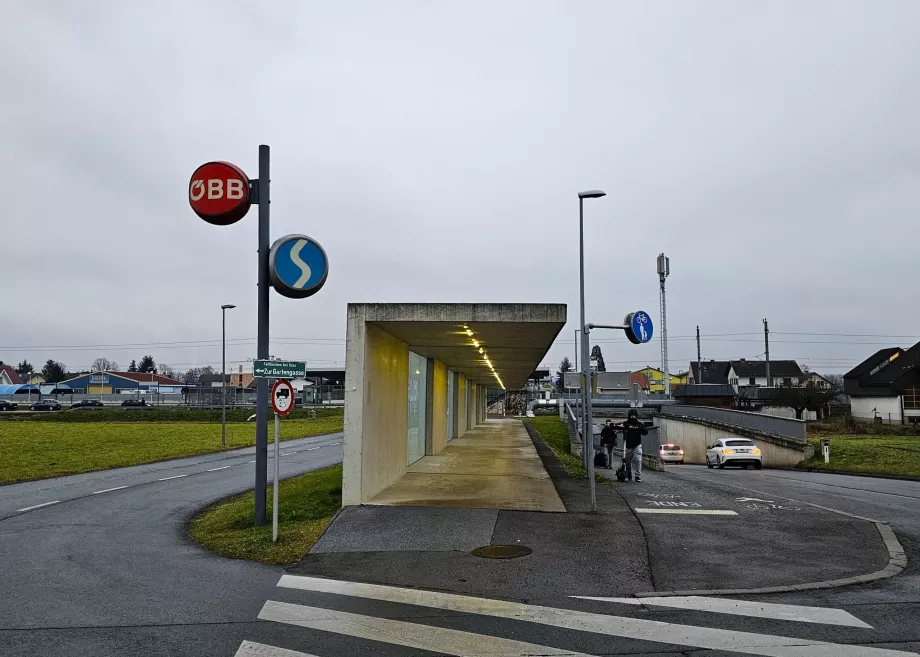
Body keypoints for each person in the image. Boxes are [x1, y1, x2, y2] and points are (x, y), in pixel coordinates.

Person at [618, 409, 648, 482]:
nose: (633, 417)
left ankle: (637, 476)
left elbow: (645, 432)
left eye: (634, 415)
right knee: (627, 461)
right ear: (629, 416)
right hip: (628, 445)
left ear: (636, 416)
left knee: (638, 459)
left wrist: (641, 429)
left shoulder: (639, 424)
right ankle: (629, 473)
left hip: (637, 445)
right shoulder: (625, 423)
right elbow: (618, 427)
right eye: (631, 415)